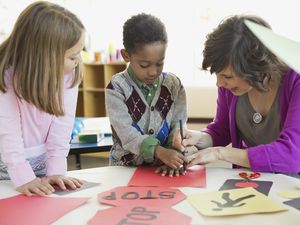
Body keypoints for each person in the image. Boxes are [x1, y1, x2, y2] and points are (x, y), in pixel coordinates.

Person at [173, 15, 300, 174]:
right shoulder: (231, 87)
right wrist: (198, 138)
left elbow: (292, 156)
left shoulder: (296, 81)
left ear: (255, 68)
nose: (219, 84)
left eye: (227, 76)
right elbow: (222, 128)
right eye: (218, 75)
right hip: (254, 181)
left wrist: (220, 153)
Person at [0, 1, 85, 196]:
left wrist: (56, 170)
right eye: (73, 56)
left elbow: (62, 125)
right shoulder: (6, 77)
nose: (79, 61)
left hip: (41, 165)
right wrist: (23, 177)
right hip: (8, 167)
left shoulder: (69, 74)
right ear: (45, 57)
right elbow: (8, 133)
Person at [105, 13, 188, 177]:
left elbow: (178, 125)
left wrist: (172, 155)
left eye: (160, 63)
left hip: (162, 168)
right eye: (144, 65)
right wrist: (158, 151)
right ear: (126, 56)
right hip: (124, 169)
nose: (153, 72)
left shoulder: (174, 85)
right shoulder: (117, 87)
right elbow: (126, 134)